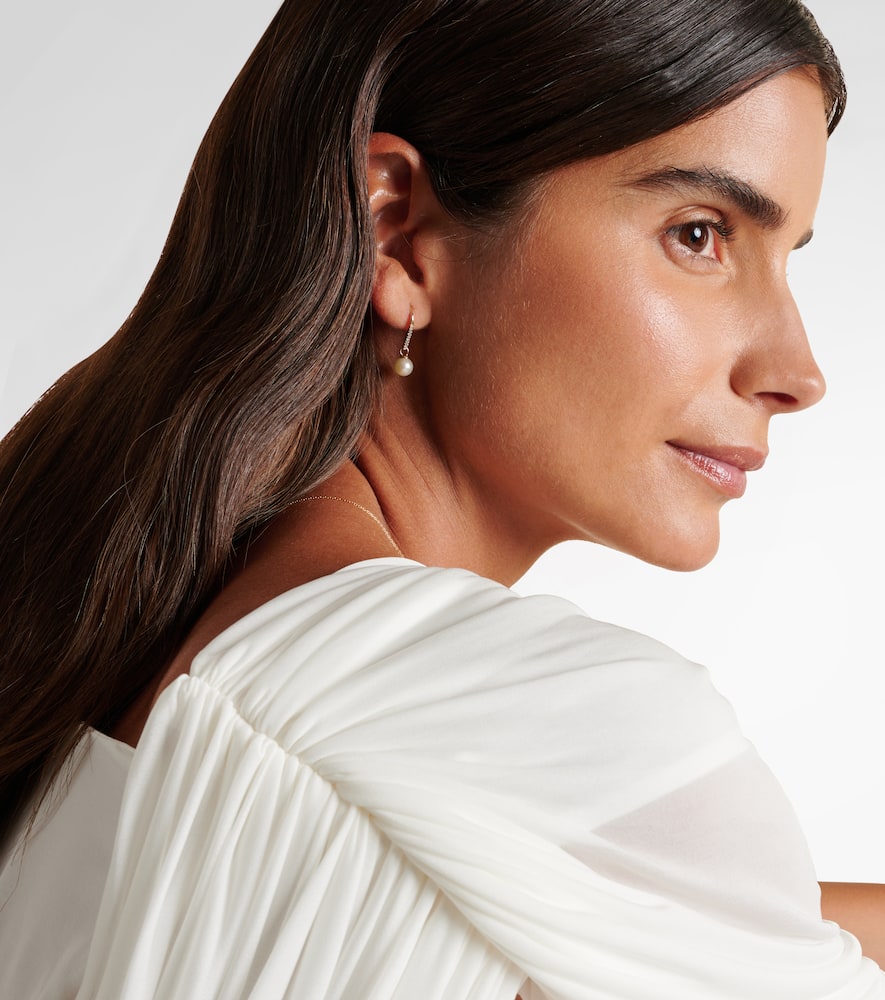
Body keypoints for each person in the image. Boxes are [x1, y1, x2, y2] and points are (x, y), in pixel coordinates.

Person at [1, 0, 882, 996]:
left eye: (786, 258)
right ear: (400, 231)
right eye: (698, 234)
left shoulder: (119, 654)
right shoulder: (551, 722)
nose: (795, 371)